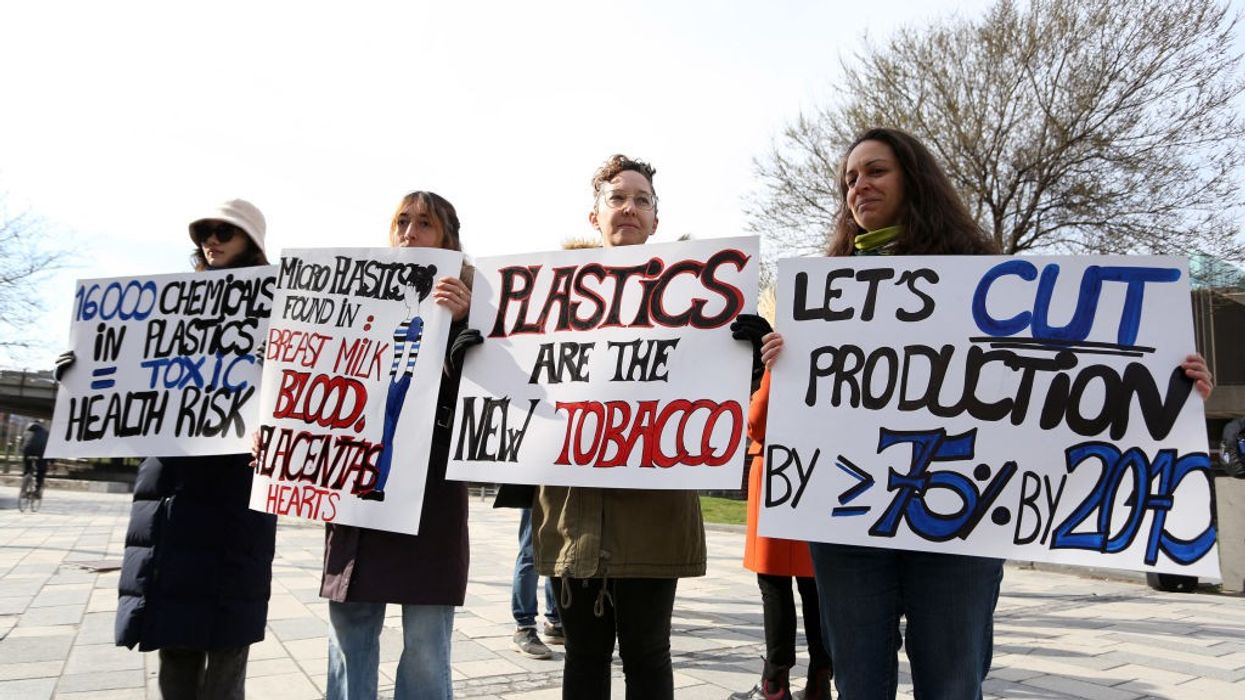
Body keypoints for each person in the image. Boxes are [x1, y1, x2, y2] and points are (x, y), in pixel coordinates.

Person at [758, 128, 1216, 699]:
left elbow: (1063, 381)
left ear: (914, 180)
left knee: (952, 682)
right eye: (850, 178)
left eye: (875, 171)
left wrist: (1169, 386)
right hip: (849, 522)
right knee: (857, 685)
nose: (859, 186)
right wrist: (786, 362)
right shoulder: (827, 291)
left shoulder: (985, 276)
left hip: (960, 519)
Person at [113, 198, 278, 699]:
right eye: (204, 232)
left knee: (226, 646)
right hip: (174, 491)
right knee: (174, 641)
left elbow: (294, 381)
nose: (211, 240)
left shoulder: (276, 307)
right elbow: (126, 373)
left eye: (223, 232)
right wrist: (79, 375)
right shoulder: (168, 304)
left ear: (250, 242)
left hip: (236, 486)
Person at [320, 191, 476, 700]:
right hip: (358, 491)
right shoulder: (351, 298)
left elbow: (492, 404)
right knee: (350, 632)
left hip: (430, 498)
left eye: (424, 223)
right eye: (402, 222)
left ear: (447, 237)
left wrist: (463, 326)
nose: (410, 233)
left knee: (428, 644)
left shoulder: (480, 311)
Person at [728, 370, 832, 700]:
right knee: (815, 586)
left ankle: (775, 680)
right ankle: (820, 678)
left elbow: (757, 420)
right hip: (818, 470)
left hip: (778, 472)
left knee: (774, 583)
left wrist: (760, 378)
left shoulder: (785, 357)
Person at [511, 506, 562, 659]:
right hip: (535, 486)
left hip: (563, 487)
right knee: (531, 551)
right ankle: (524, 627)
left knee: (559, 552)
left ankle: (556, 623)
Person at [22, 422, 49, 494]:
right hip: (40, 453)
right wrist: (52, 461)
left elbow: (23, 444)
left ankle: (24, 488)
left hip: (27, 452)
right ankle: (38, 490)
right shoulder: (46, 433)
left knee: (27, 469)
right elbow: (49, 447)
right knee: (41, 470)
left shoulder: (26, 432)